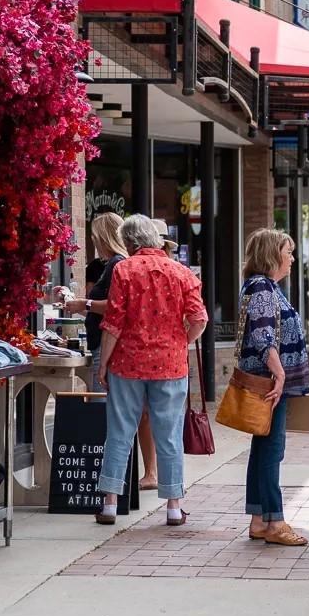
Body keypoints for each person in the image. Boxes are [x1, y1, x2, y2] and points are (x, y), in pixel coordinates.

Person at [93, 214, 208, 526]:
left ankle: (109, 505)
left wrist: (103, 362)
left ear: (130, 243)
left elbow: (113, 322)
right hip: (170, 365)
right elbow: (200, 319)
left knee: (119, 432)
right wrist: (182, 340)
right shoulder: (182, 272)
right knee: (169, 435)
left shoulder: (124, 270)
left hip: (126, 363)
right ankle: (173, 506)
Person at [65, 213, 161, 491]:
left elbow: (116, 311)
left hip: (118, 349)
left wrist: (84, 304)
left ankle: (114, 482)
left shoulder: (119, 265)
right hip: (132, 352)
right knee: (134, 415)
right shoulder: (115, 265)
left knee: (116, 416)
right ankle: (131, 479)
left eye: (95, 236)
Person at [237, 229, 309, 546]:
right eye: (288, 251)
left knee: (263, 450)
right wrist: (280, 374)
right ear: (272, 255)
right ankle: (275, 521)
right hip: (270, 384)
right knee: (271, 452)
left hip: (270, 382)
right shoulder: (263, 287)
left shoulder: (263, 287)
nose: (292, 258)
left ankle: (258, 520)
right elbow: (263, 335)